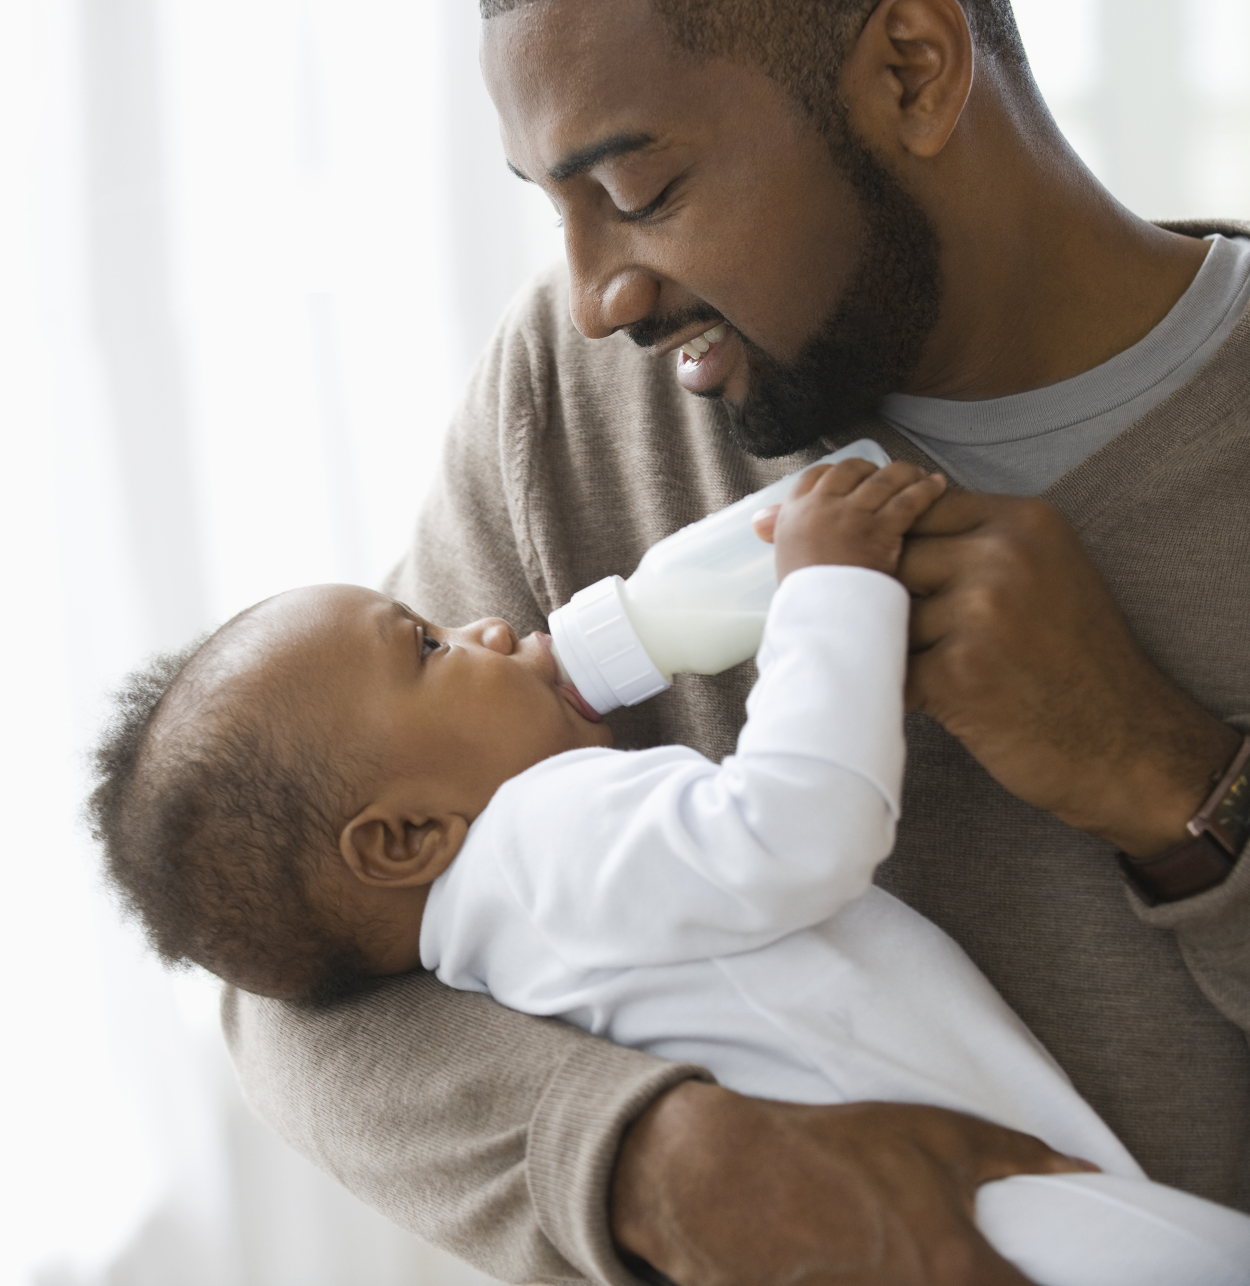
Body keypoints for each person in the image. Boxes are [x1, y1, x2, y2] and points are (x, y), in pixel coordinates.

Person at [223, 1, 1250, 1282]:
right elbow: (287, 943)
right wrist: (661, 1161)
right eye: (554, 205)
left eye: (638, 189)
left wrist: (1177, 784)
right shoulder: (577, 390)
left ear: (912, 71)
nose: (597, 296)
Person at [92, 459, 1250, 1284]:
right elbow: (797, 825)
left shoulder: (489, 942)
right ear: (400, 840)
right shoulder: (547, 836)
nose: (491, 625)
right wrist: (825, 589)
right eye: (429, 648)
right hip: (982, 1223)